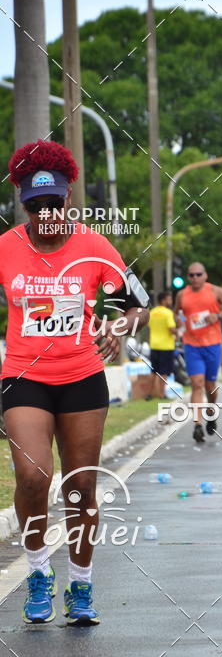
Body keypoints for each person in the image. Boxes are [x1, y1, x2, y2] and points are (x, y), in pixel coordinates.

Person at [3, 139, 148, 625]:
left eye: (53, 203)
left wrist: (119, 327)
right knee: (32, 476)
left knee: (81, 487)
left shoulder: (94, 246)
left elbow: (138, 305)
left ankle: (80, 585)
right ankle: (38, 573)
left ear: (68, 198)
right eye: (35, 205)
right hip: (24, 377)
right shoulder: (6, 248)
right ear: (23, 204)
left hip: (82, 376)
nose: (45, 214)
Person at [174, 262, 222, 442]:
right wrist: (179, 322)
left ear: (205, 275)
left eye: (198, 274)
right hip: (191, 345)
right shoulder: (182, 294)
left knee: (210, 386)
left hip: (212, 345)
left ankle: (211, 411)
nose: (195, 278)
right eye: (191, 275)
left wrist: (217, 316)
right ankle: (197, 425)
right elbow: (176, 313)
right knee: (197, 384)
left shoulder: (215, 291)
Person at [148, 291, 177, 399]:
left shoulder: (152, 312)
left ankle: (149, 394)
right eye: (169, 299)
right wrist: (178, 332)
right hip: (166, 346)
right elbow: (171, 329)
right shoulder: (168, 313)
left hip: (154, 345)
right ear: (164, 300)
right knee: (164, 372)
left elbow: (149, 325)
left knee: (153, 371)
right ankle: (162, 394)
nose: (171, 301)